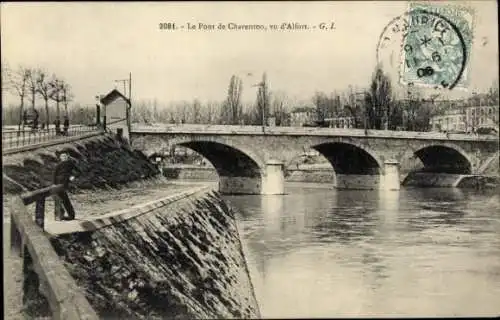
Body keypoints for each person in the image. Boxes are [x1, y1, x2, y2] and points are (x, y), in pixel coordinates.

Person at [52, 152, 78, 221]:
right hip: (58, 183)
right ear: (60, 158)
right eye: (62, 156)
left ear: (67, 156)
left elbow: (78, 171)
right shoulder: (58, 165)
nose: (64, 157)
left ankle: (65, 215)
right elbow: (54, 174)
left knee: (62, 198)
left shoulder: (70, 164)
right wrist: (54, 184)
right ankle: (66, 215)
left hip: (64, 183)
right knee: (61, 198)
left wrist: (73, 176)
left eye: (65, 156)